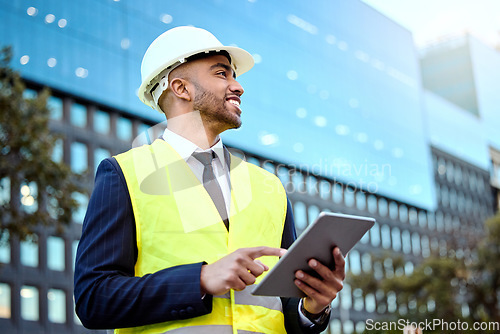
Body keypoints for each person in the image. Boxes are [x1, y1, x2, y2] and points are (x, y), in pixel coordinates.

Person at [74, 26, 345, 333]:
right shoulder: (124, 174)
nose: (238, 87)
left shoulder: (269, 187)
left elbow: (286, 311)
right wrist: (200, 279)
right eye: (222, 74)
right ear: (181, 88)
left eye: (234, 76)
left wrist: (313, 308)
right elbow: (93, 299)